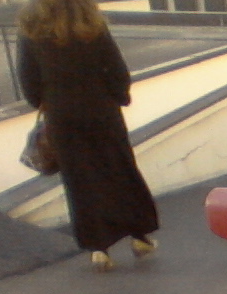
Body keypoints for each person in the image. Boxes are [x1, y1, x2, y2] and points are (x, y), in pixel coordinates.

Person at [17, 0, 159, 272]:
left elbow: (28, 77)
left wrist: (43, 102)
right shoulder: (90, 19)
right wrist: (120, 96)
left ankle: (99, 249)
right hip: (101, 109)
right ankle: (139, 237)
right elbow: (115, 65)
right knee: (119, 171)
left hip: (62, 115)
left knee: (80, 180)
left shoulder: (31, 23)